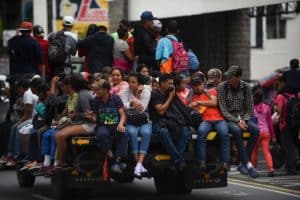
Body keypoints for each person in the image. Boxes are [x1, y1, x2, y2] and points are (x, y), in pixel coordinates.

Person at [217, 66, 259, 178]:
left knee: (255, 130)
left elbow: (250, 107)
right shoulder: (222, 87)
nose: (228, 79)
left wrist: (244, 120)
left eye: (230, 77)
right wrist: (237, 121)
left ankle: (242, 163)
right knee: (236, 130)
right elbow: (223, 109)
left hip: (243, 118)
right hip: (228, 119)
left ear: (238, 78)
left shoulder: (246, 87)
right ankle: (248, 164)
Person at [189, 75, 230, 170]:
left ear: (203, 84)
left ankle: (225, 162)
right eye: (195, 86)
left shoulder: (211, 91)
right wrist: (196, 104)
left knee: (224, 135)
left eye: (199, 85)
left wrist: (199, 102)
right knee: (201, 133)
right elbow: (196, 109)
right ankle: (202, 162)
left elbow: (214, 103)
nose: (197, 87)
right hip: (206, 120)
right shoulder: (193, 96)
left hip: (219, 119)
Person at [149, 73, 189, 171]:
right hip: (157, 122)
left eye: (172, 84)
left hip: (171, 122)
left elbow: (181, 109)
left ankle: (174, 161)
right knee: (164, 132)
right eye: (169, 84)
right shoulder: (155, 94)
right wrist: (171, 97)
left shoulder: (172, 93)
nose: (172, 86)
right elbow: (161, 111)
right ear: (162, 84)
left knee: (185, 131)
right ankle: (178, 159)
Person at [88, 79, 128, 174]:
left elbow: (122, 114)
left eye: (98, 89)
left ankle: (117, 160)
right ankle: (113, 160)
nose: (96, 91)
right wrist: (91, 117)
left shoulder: (116, 98)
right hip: (102, 125)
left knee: (124, 133)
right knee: (102, 135)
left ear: (105, 90)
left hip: (116, 124)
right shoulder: (95, 100)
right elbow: (95, 119)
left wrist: (121, 124)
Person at [55, 74, 95, 168]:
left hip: (88, 125)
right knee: (58, 135)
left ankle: (62, 161)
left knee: (60, 136)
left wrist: (76, 114)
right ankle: (66, 159)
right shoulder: (82, 93)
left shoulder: (82, 95)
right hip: (81, 123)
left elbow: (89, 115)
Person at [120, 72, 151, 177]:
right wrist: (132, 103)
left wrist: (137, 95)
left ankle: (139, 164)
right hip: (130, 120)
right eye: (129, 82)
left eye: (133, 82)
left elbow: (142, 109)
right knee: (132, 133)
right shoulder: (126, 91)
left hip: (143, 120)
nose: (131, 84)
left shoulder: (146, 92)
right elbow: (123, 106)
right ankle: (138, 163)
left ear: (139, 83)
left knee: (146, 133)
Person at [274, 76, 298, 174]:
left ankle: (290, 168)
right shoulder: (293, 96)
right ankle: (293, 165)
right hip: (295, 125)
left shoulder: (280, 96)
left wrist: (275, 109)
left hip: (285, 124)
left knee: (287, 147)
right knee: (292, 146)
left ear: (282, 83)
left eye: (278, 84)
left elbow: (279, 111)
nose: (278, 86)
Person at [251, 89, 276, 177]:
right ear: (263, 97)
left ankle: (253, 169)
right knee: (266, 151)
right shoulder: (267, 107)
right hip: (266, 132)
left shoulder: (252, 108)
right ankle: (271, 169)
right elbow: (269, 122)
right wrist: (273, 135)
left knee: (254, 151)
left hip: (255, 133)